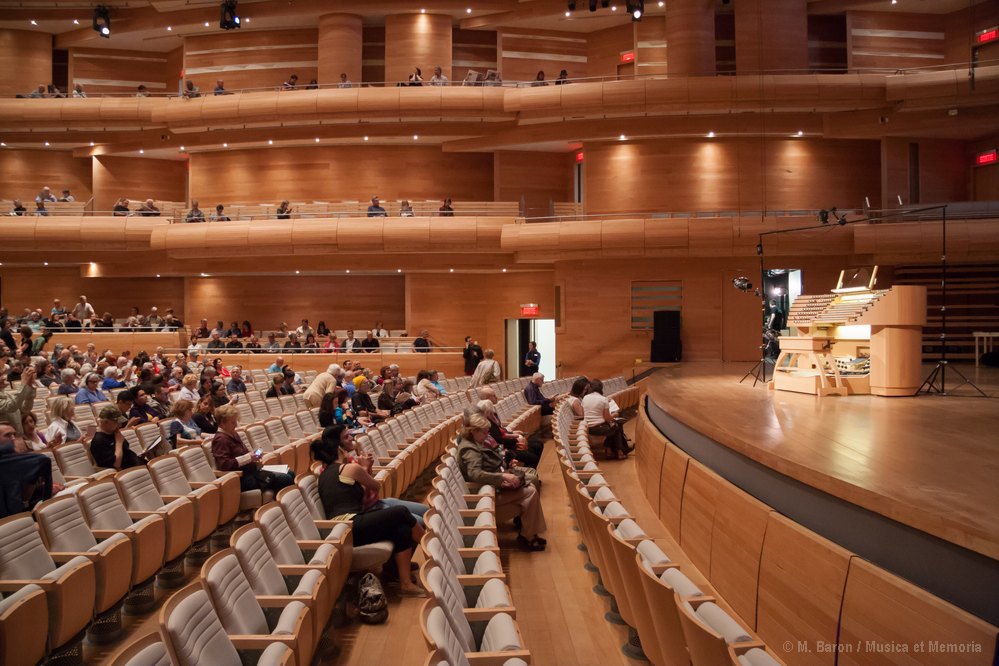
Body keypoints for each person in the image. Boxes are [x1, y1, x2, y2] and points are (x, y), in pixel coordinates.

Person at [313, 425, 425, 595]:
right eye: (346, 437)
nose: (351, 438)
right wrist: (365, 467)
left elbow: (362, 494)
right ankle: (433, 554)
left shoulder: (325, 473)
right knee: (401, 512)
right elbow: (374, 486)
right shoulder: (350, 468)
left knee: (402, 529)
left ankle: (405, 583)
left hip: (344, 527)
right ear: (339, 449)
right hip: (349, 525)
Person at [457, 413, 547, 551]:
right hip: (484, 494)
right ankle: (527, 534)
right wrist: (503, 477)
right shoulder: (469, 449)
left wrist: (507, 467)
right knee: (530, 492)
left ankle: (528, 532)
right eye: (485, 432)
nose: (487, 435)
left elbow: (488, 464)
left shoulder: (474, 442)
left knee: (529, 484)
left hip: (490, 487)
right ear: (474, 431)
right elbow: (475, 474)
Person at [212, 404, 293, 492]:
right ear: (223, 423)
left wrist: (254, 455)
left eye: (236, 422)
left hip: (253, 472)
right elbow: (224, 464)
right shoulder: (220, 439)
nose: (236, 425)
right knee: (286, 478)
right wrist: (249, 457)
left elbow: (244, 454)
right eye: (233, 422)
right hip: (242, 478)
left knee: (290, 472)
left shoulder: (233, 434)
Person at [0, 423, 53, 519]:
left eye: (14, 435)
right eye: (8, 435)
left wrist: (32, 479)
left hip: (17, 515)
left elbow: (25, 498)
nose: (13, 438)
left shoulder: (23, 463)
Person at [582, 378, 630, 459]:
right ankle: (619, 452)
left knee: (613, 427)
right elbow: (607, 418)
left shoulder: (585, 398)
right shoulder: (603, 399)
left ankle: (609, 450)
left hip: (587, 427)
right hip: (598, 428)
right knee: (617, 427)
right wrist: (614, 415)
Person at [0, 366, 36, 436]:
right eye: (0, 375)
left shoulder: (7, 394)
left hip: (18, 438)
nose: (3, 378)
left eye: (2, 375)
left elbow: (25, 409)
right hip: (4, 443)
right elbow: (12, 406)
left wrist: (29, 384)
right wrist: (23, 383)